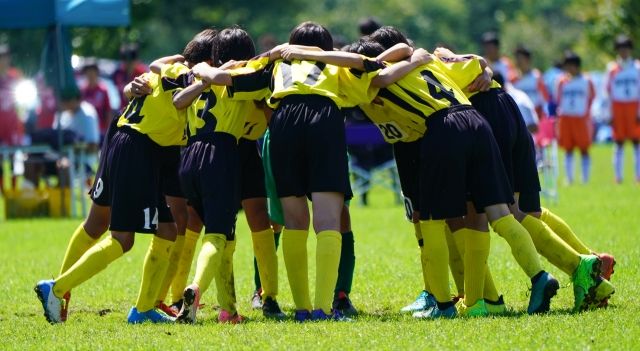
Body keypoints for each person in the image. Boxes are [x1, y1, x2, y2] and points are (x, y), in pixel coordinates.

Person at [34, 31, 214, 325]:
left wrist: (141, 82)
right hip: (138, 149)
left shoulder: (168, 68)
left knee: (159, 229)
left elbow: (153, 72)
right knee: (122, 238)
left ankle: (141, 309)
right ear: (208, 60)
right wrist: (205, 78)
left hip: (124, 138)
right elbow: (180, 97)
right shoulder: (186, 73)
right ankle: (57, 288)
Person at [173, 26, 274, 324]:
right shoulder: (237, 79)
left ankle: (227, 309)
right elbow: (265, 83)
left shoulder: (197, 76)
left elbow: (178, 101)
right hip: (220, 154)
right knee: (217, 235)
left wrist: (204, 73)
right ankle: (194, 289)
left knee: (221, 235)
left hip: (189, 156)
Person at [556, 51, 595, 184]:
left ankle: (585, 179)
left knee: (584, 148)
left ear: (577, 66)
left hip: (581, 118)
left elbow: (592, 97)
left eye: (570, 65)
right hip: (566, 118)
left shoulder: (586, 80)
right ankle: (569, 178)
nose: (568, 69)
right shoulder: (561, 81)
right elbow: (558, 98)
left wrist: (586, 113)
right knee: (568, 149)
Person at [606, 35, 640, 183]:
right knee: (618, 142)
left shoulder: (637, 67)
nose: (623, 52)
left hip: (634, 105)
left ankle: (638, 176)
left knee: (636, 141)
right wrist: (609, 113)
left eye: (626, 48)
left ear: (630, 50)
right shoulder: (612, 69)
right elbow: (608, 92)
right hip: (618, 107)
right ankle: (618, 176)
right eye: (620, 49)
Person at [0, 44, 24, 193]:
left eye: (5, 57)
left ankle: (14, 190)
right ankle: (3, 190)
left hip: (13, 124)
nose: (3, 60)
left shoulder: (15, 76)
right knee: (1, 159)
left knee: (15, 157)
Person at [513, 46, 550, 127]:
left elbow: (545, 100)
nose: (518, 61)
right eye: (516, 58)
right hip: (519, 120)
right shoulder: (513, 79)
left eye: (520, 58)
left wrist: (544, 121)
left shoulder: (537, 77)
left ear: (528, 59)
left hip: (536, 120)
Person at [80, 60, 112, 140]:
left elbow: (108, 111)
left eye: (92, 72)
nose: (90, 75)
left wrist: (109, 131)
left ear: (96, 73)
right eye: (88, 72)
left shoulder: (103, 90)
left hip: (101, 131)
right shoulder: (82, 91)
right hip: (86, 131)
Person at [112, 43, 148, 111]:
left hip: (139, 110)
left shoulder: (143, 72)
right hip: (123, 111)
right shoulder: (118, 73)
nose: (128, 64)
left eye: (131, 61)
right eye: (125, 60)